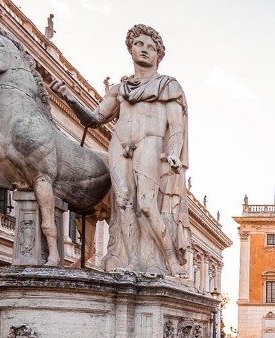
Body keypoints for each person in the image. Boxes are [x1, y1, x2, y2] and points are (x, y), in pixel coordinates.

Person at [51, 24, 190, 276]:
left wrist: (174, 151)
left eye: (151, 47)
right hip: (120, 145)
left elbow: (177, 126)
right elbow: (95, 119)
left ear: (159, 54)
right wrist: (70, 98)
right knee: (123, 203)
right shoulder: (119, 89)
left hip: (151, 143)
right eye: (139, 44)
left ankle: (169, 260)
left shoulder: (168, 86)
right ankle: (132, 261)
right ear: (130, 49)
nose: (145, 50)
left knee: (147, 204)